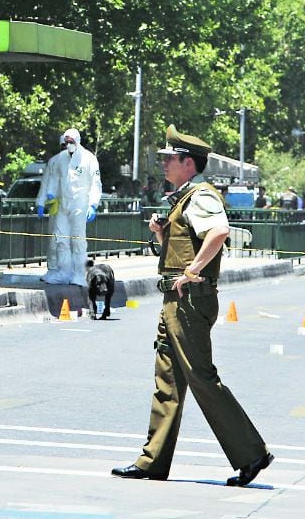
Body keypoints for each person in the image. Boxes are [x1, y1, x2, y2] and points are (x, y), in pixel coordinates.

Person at [112, 124, 273, 487]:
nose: (165, 164)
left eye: (170, 159)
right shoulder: (184, 198)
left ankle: (251, 453)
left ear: (188, 163)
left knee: (201, 378)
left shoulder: (201, 195)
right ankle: (152, 460)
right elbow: (184, 245)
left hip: (189, 300)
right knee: (167, 380)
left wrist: (193, 271)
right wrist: (161, 234)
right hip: (175, 299)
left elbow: (219, 231)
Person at [45, 128, 102, 287]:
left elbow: (96, 183)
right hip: (63, 204)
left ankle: (79, 274)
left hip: (80, 205)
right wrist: (50, 193)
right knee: (60, 239)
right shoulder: (61, 159)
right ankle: (63, 272)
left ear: (77, 141)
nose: (68, 145)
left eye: (71, 142)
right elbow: (55, 177)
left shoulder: (89, 159)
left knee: (78, 240)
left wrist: (92, 205)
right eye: (66, 142)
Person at [36, 135, 67, 282]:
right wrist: (41, 202)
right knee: (55, 240)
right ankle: (54, 270)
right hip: (57, 207)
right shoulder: (54, 162)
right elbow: (46, 182)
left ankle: (65, 270)